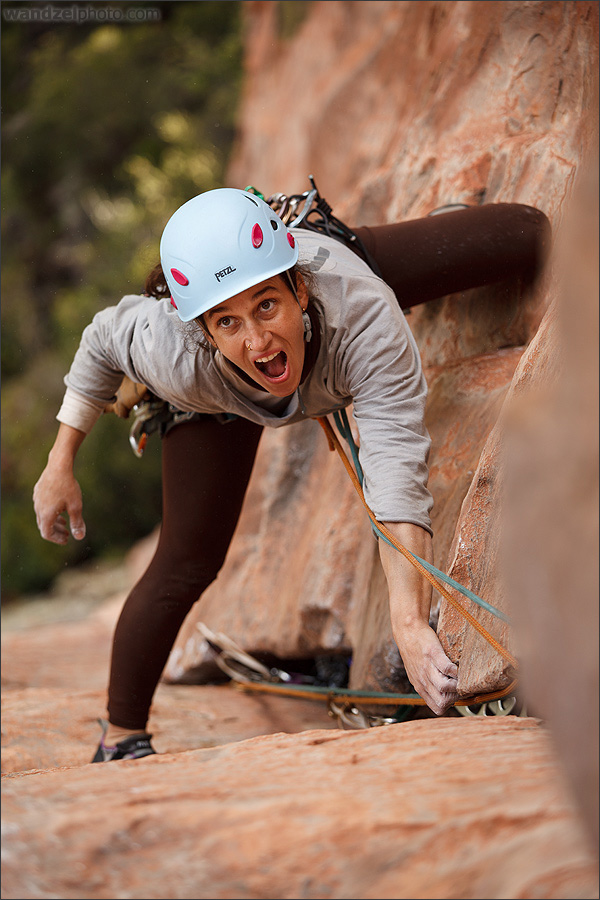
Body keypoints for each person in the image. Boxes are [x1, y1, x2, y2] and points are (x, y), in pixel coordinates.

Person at [32, 186, 550, 761]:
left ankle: (447, 230)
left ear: (296, 289)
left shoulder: (360, 313)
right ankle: (121, 735)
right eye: (227, 321)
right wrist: (60, 463)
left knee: (530, 235)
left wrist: (408, 623)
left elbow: (395, 472)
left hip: (337, 272)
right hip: (218, 399)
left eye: (266, 306)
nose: (256, 340)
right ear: (203, 330)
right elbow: (102, 337)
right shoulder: (175, 354)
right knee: (187, 561)